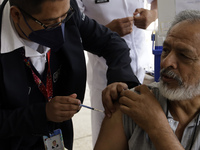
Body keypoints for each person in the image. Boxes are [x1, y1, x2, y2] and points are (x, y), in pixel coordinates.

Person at [0, 0, 140, 149]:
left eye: (64, 17)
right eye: (51, 23)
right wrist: (42, 114)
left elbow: (112, 43)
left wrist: (119, 79)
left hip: (56, 138)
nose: (61, 28)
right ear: (16, 15)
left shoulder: (63, 10)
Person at [94, 10, 200, 150]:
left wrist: (157, 127)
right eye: (166, 50)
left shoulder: (139, 112)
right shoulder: (132, 104)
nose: (166, 62)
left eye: (184, 55)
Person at [76, 0, 158, 146]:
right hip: (105, 75)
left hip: (140, 68)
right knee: (108, 134)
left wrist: (153, 14)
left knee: (137, 133)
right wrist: (105, 31)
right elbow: (69, 31)